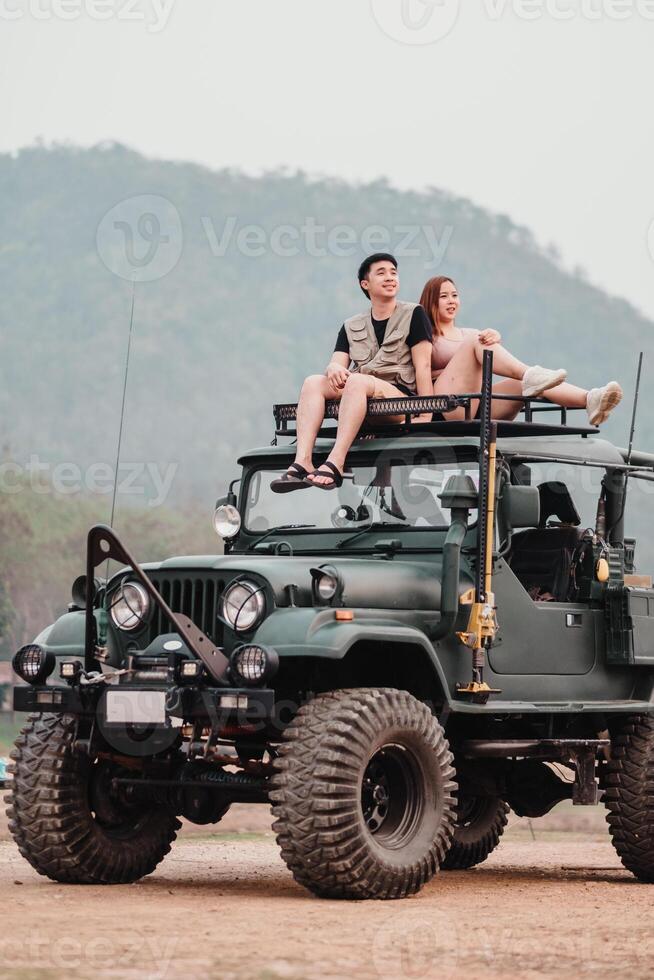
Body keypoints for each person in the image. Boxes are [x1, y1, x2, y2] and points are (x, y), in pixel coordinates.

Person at [271, 253, 433, 492]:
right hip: (361, 395)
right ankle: (303, 461)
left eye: (393, 272)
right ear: (365, 284)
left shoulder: (414, 314)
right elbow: (337, 364)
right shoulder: (351, 325)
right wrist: (334, 366)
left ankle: (336, 462)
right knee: (314, 382)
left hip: (397, 398)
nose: (390, 277)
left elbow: (424, 366)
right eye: (381, 273)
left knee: (356, 381)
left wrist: (425, 413)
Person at [419, 276, 623, 424]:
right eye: (444, 296)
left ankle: (589, 399)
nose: (451, 300)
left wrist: (493, 336)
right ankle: (529, 373)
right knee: (481, 341)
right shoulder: (426, 336)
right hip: (448, 405)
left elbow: (481, 349)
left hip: (478, 402)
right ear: (431, 301)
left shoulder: (470, 333)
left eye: (454, 295)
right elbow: (419, 371)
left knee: (523, 384)